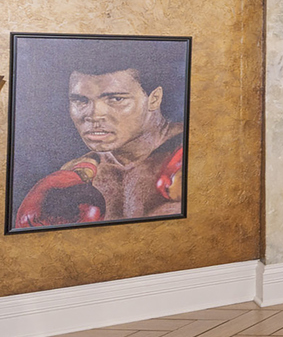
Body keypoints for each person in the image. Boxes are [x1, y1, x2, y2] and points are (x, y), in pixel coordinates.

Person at [14, 44, 185, 229]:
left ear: (154, 99)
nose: (94, 115)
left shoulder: (193, 151)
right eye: (81, 100)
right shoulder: (78, 175)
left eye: (116, 99)